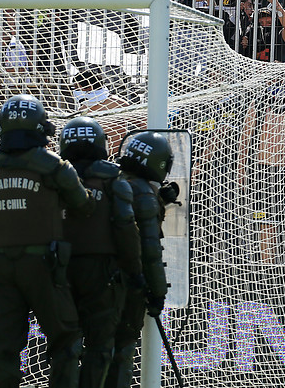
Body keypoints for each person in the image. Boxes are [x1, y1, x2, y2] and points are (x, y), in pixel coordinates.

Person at [0, 94, 94, 387]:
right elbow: (84, 207)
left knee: (4, 349)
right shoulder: (54, 166)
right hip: (45, 267)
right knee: (66, 339)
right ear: (40, 126)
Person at [59, 117, 143, 388]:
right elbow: (125, 227)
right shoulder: (112, 179)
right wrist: (135, 270)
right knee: (100, 347)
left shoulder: (51, 178)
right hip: (103, 274)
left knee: (64, 347)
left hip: (58, 271)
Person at [106, 131, 172, 388]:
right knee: (122, 354)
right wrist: (157, 294)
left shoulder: (109, 182)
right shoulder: (144, 194)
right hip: (127, 287)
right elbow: (151, 253)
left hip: (93, 281)